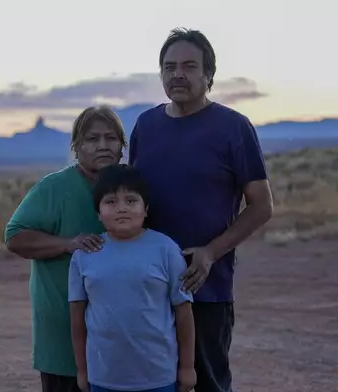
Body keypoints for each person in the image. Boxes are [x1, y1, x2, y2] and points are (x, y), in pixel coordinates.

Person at [128, 28, 274, 392]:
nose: (177, 74)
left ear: (209, 76)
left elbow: (262, 205)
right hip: (148, 288)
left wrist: (211, 252)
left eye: (189, 66)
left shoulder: (233, 128)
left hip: (205, 288)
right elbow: (131, 200)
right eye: (169, 66)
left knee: (206, 383)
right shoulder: (146, 126)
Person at [5, 105, 127, 392]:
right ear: (76, 146)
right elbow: (15, 237)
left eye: (111, 138)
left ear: (122, 146)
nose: (102, 146)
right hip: (63, 337)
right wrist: (67, 244)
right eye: (92, 139)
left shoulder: (130, 189)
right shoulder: (54, 187)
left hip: (120, 336)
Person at [68, 164, 196, 392]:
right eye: (110, 202)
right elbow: (77, 318)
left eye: (131, 201)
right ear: (98, 212)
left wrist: (187, 367)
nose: (121, 209)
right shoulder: (84, 255)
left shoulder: (166, 249)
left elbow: (183, 313)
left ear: (146, 208)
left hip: (159, 376)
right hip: (103, 376)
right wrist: (82, 370)